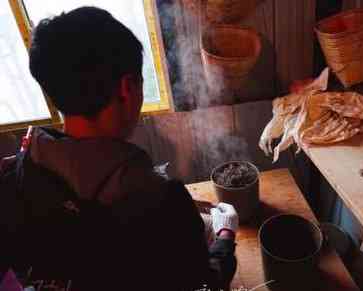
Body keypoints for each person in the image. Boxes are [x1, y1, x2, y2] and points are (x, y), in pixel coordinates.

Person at [0, 6, 238, 291]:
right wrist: (225, 234)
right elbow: (205, 281)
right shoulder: (161, 203)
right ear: (127, 87)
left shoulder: (15, 178)